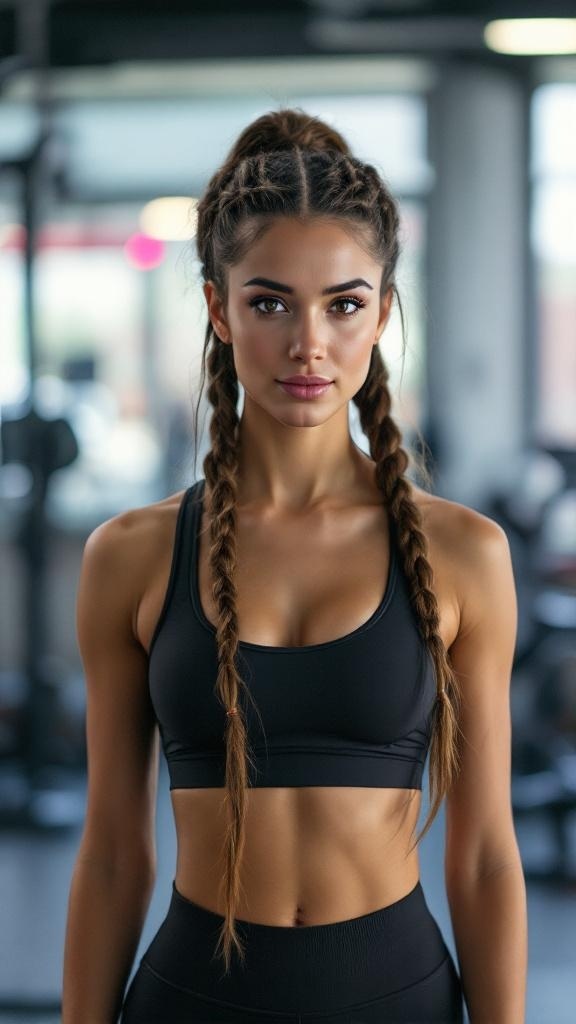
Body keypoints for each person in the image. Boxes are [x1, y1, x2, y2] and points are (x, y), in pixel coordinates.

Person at [62, 108, 527, 1023]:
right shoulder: (132, 556)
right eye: (270, 301)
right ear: (217, 308)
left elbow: (483, 857)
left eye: (344, 304)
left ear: (384, 312)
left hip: (397, 1000)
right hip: (194, 1000)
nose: (308, 343)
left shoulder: (465, 553)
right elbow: (114, 852)